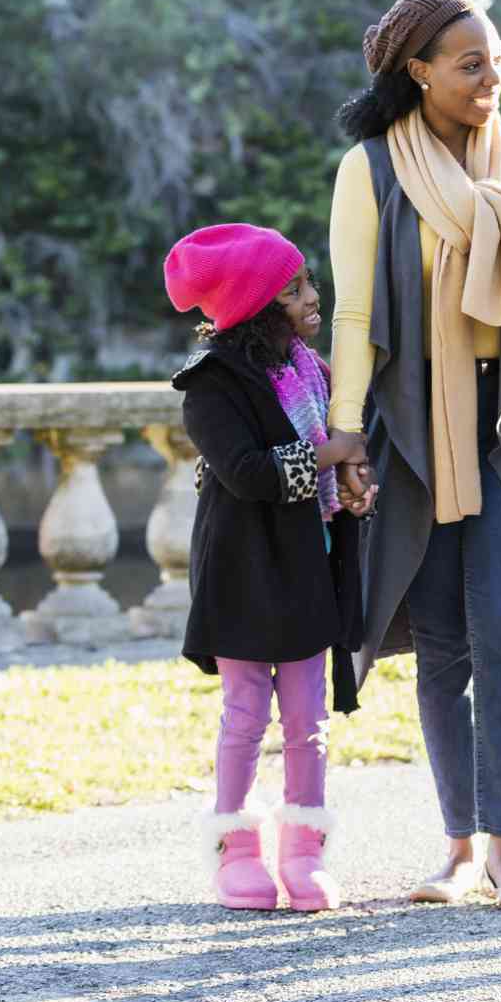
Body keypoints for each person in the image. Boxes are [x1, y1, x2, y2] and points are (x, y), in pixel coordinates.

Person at [327, 0, 501, 913]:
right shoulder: (370, 170)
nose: (492, 78)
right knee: (441, 636)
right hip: (410, 419)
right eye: (470, 63)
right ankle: (458, 847)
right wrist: (346, 426)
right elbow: (353, 310)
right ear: (419, 71)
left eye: (498, 61)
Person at [165, 223, 375, 912]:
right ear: (256, 305)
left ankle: (303, 852)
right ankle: (236, 851)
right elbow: (251, 473)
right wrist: (333, 451)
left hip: (307, 564)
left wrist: (351, 477)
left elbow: (342, 457)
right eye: (294, 290)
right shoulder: (212, 387)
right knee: (246, 713)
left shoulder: (309, 371)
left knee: (308, 719)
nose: (313, 299)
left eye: (309, 282)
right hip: (244, 571)